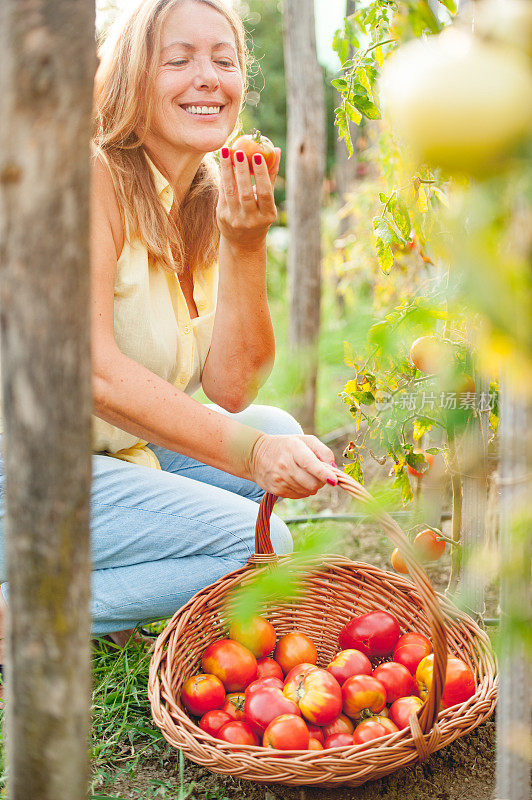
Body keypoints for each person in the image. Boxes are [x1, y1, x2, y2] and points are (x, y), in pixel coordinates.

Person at [0, 0, 337, 667]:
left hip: (107, 453)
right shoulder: (86, 179)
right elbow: (91, 374)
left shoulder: (202, 200)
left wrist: (244, 242)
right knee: (258, 545)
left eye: (224, 58)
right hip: (23, 468)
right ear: (131, 78)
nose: (207, 76)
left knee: (279, 429)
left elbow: (234, 388)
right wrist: (249, 455)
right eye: (178, 60)